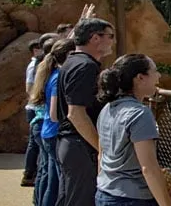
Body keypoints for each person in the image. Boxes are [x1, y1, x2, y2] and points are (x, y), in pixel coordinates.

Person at [95, 54, 171, 206]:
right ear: (140, 78)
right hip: (132, 198)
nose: (158, 76)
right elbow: (148, 168)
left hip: (104, 192)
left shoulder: (107, 108)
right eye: (154, 71)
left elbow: (101, 155)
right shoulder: (139, 114)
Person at [56, 18, 115, 206]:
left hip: (72, 145)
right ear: (95, 38)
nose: (112, 41)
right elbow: (76, 113)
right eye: (110, 36)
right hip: (79, 145)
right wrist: (102, 148)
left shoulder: (73, 61)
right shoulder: (84, 66)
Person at [29, 38, 76, 206]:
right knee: (56, 183)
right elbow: (54, 114)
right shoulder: (57, 78)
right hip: (54, 133)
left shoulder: (53, 73)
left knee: (52, 179)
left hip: (48, 132)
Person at [23, 39, 43, 187]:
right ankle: (29, 173)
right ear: (35, 50)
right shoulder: (33, 66)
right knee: (34, 143)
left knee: (34, 143)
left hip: (35, 108)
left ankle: (30, 173)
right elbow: (29, 87)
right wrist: (38, 102)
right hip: (34, 109)